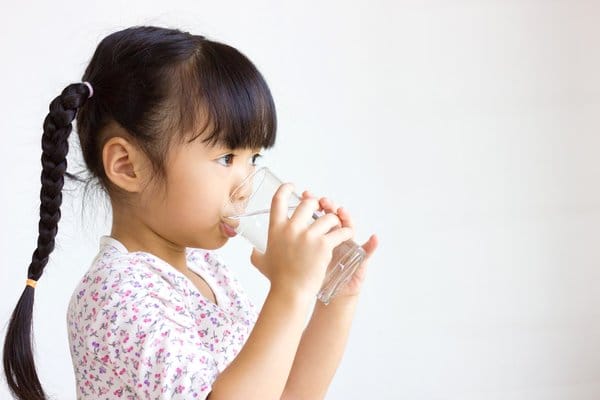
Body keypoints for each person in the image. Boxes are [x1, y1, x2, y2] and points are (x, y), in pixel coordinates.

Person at [2, 25, 378, 400]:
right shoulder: (114, 294)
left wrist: (335, 297)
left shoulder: (209, 273)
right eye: (227, 157)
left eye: (254, 158)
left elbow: (291, 395)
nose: (246, 181)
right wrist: (289, 291)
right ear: (128, 166)